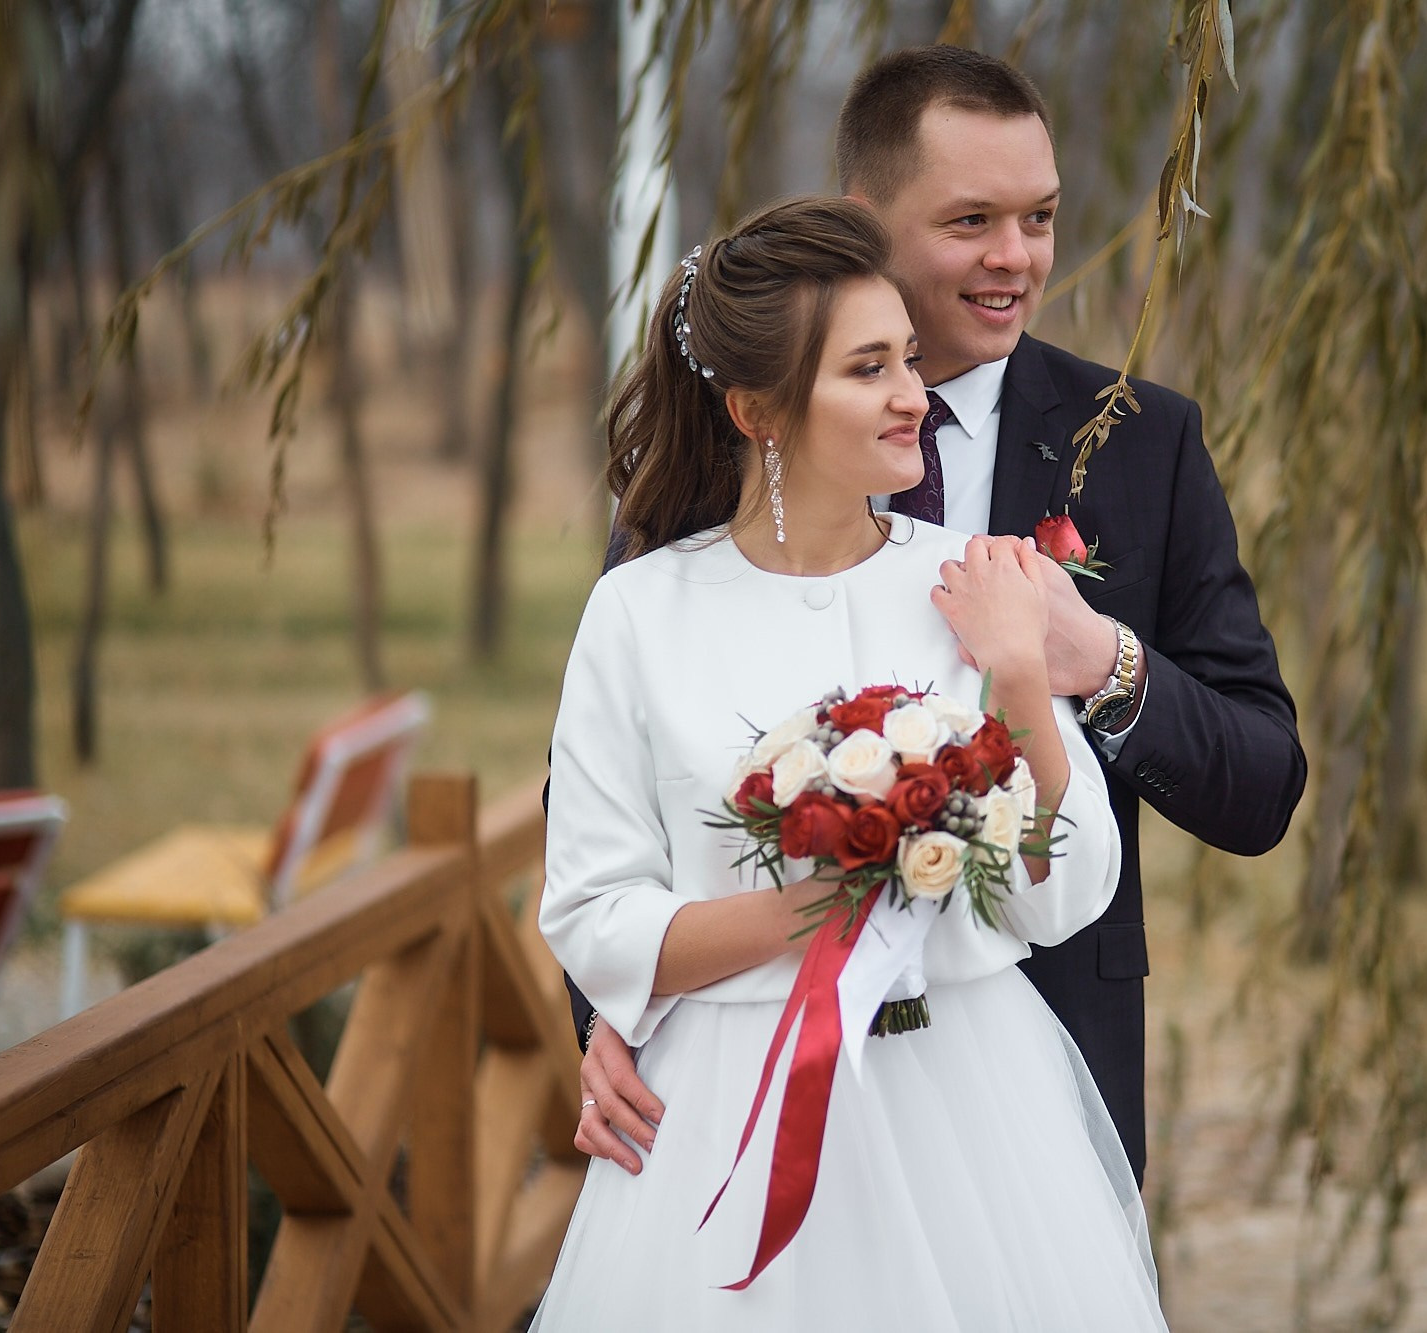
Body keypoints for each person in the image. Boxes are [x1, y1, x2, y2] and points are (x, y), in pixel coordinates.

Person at [571, 45, 1307, 1185]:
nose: (1014, 259)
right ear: (865, 219)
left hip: (1031, 1091)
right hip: (733, 1092)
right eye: (970, 220)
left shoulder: (1141, 445)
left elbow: (1261, 784)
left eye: (1040, 218)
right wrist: (609, 1008)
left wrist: (1097, 661)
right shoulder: (727, 454)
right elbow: (600, 795)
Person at [532, 195, 1166, 1327]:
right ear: (757, 410)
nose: (913, 397)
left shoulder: (977, 584)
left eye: (908, 361)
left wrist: (1021, 679)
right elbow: (592, 911)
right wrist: (833, 903)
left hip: (971, 1105)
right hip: (726, 1112)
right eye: (867, 368)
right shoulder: (637, 615)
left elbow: (1065, 895)